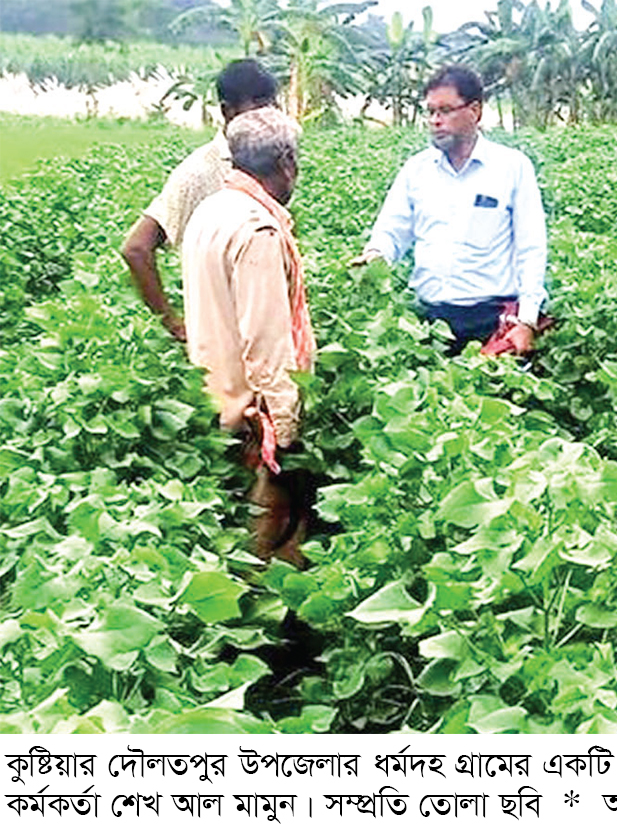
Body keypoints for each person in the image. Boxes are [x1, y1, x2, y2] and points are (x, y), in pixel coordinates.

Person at [181, 107, 315, 569]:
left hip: (210, 400)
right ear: (286, 163)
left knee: (224, 531)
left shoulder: (211, 210)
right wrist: (284, 428)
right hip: (251, 420)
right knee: (265, 544)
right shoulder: (258, 230)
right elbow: (266, 343)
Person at [356, 64, 548, 355]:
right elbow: (392, 231)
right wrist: (375, 255)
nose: (435, 120)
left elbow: (531, 248)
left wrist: (527, 321)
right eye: (431, 111)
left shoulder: (512, 167)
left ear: (475, 111)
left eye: (445, 111)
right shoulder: (416, 170)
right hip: (428, 321)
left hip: (491, 320)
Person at [121, 59, 278, 342]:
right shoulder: (200, 171)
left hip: (266, 329)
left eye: (271, 106)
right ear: (227, 112)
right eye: (257, 108)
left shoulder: (271, 160)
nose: (266, 118)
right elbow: (136, 249)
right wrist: (174, 324)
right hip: (222, 337)